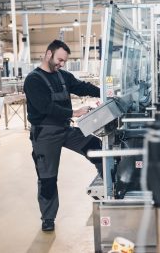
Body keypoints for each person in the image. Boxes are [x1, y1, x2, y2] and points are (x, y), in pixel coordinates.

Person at [24, 40, 102, 232]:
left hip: (65, 129)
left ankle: (110, 185)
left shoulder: (62, 76)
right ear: (48, 54)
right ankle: (48, 218)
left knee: (96, 146)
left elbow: (82, 87)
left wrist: (107, 93)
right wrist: (74, 112)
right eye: (59, 59)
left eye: (64, 61)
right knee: (48, 178)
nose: (61, 64)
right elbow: (45, 107)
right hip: (45, 133)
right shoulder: (33, 80)